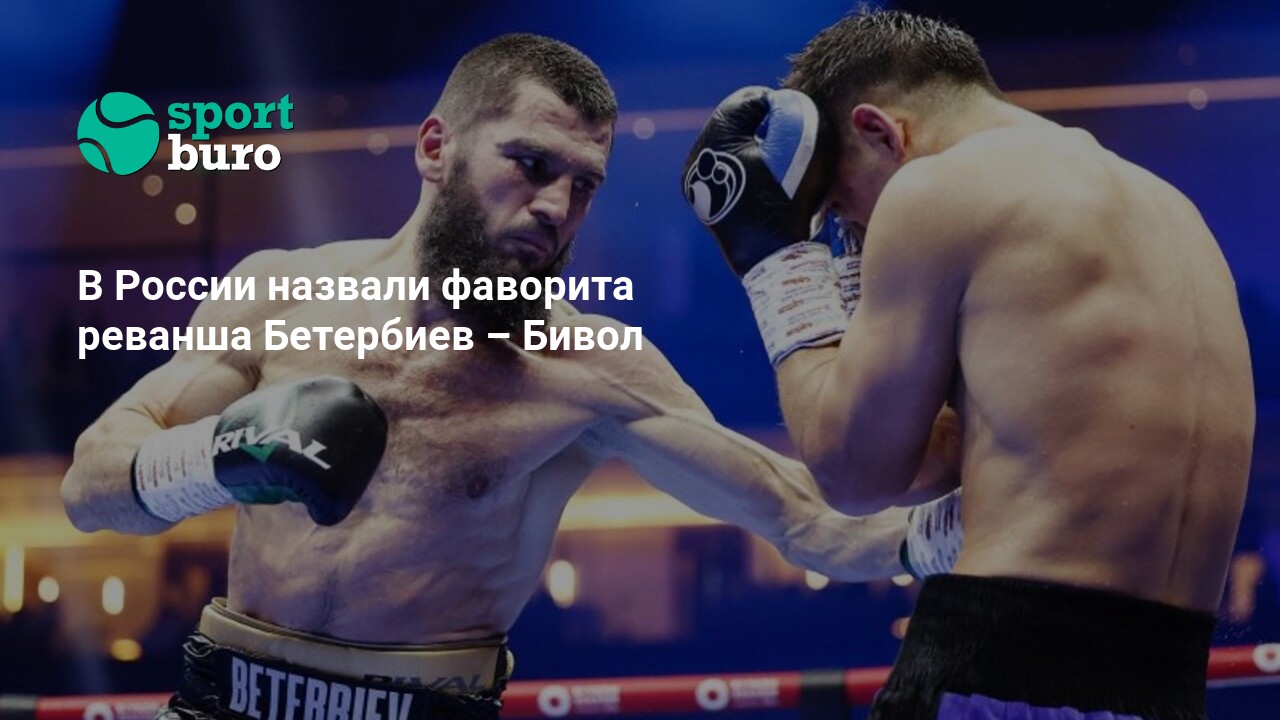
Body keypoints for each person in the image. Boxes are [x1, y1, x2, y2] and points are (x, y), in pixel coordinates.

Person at [61, 34, 952, 720]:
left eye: (584, 185)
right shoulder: (277, 296)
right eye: (530, 165)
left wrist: (1003, 523)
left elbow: (810, 523)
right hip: (225, 700)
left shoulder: (591, 369)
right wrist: (218, 456)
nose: (557, 207)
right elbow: (90, 488)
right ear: (435, 147)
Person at [682, 8, 1254, 720]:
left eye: (841, 208)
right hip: (1167, 683)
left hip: (1004, 668)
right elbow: (930, 461)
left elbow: (854, 474)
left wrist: (776, 267)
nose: (853, 233)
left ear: (879, 131)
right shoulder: (1174, 213)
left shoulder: (934, 190)